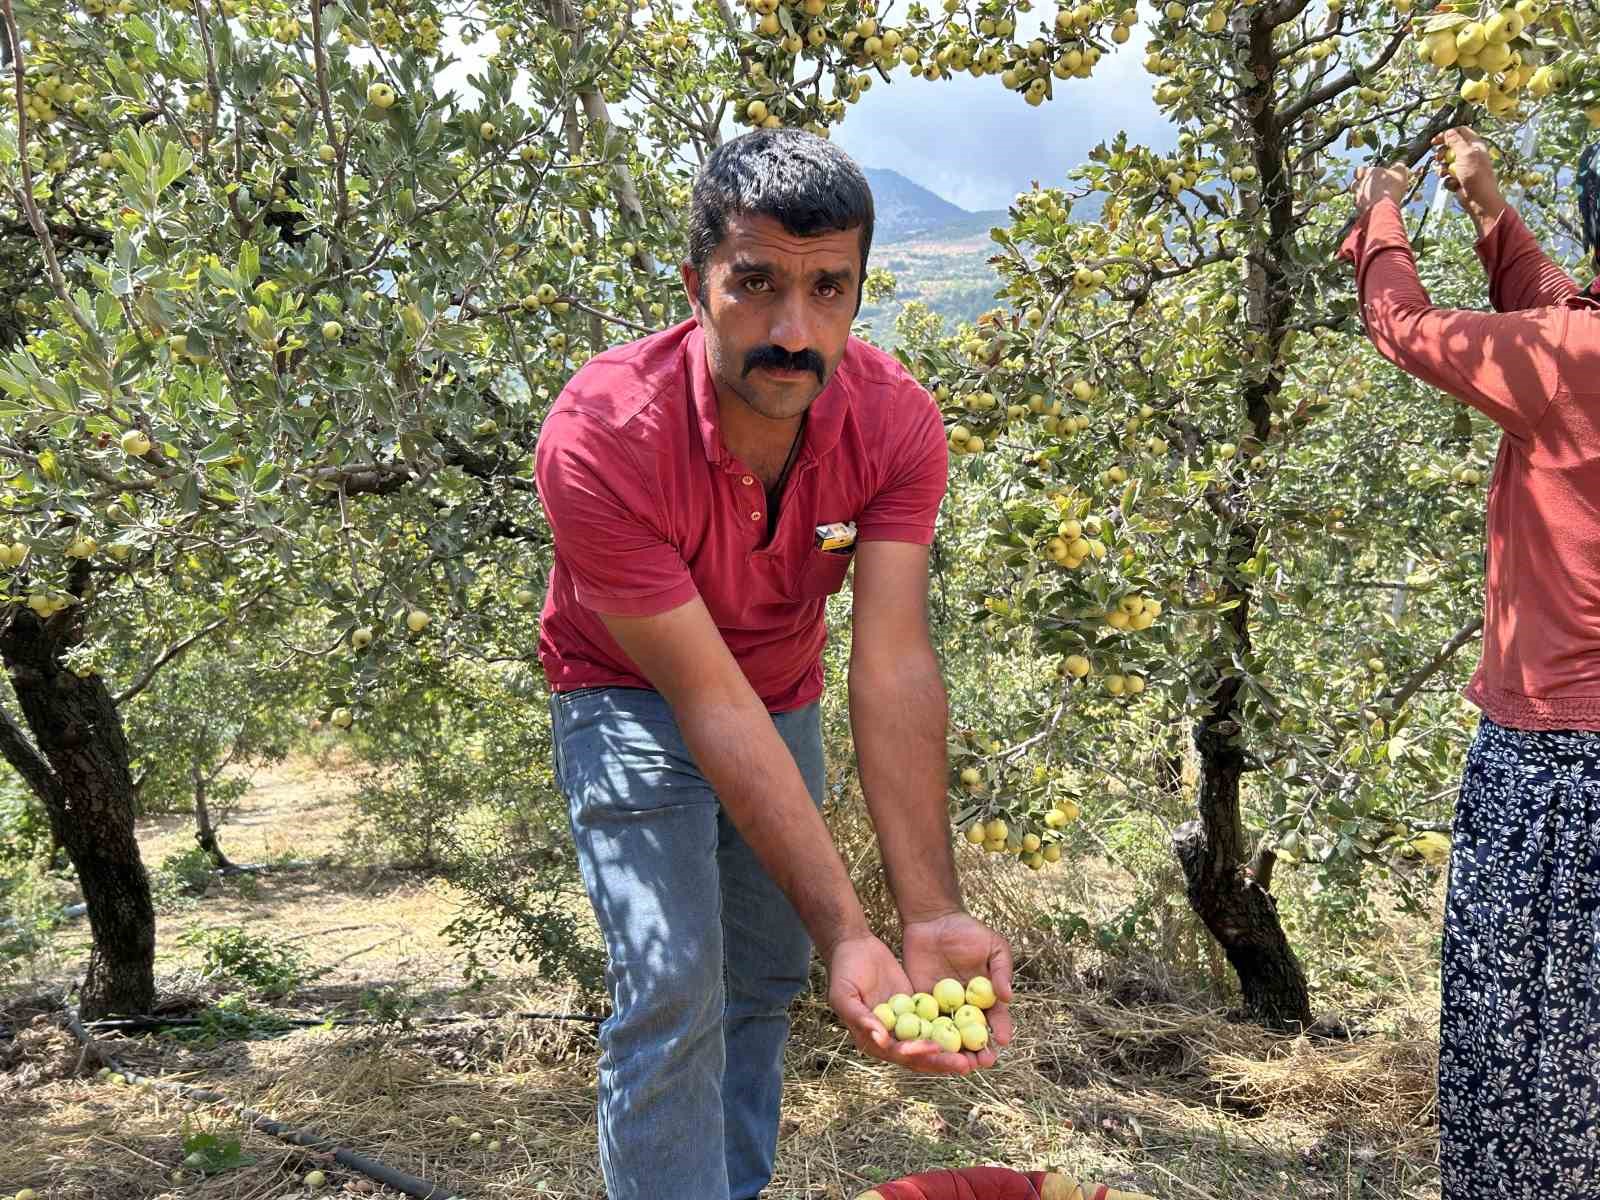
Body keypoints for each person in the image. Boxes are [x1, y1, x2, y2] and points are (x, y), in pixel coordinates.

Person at [534, 128, 1015, 1200]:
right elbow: (702, 697)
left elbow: (890, 664)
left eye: (828, 289)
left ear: (857, 289)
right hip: (625, 691)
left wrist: (927, 911)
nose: (793, 331)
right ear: (695, 282)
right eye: (754, 285)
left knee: (761, 980)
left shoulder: (894, 423)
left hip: (778, 690)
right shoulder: (602, 432)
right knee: (670, 988)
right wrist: (849, 922)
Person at [1342, 129, 1600, 1197]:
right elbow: (1564, 318)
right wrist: (1490, 215)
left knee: (1526, 1048)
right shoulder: (1574, 350)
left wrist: (1380, 215)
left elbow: (1403, 326)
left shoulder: (1567, 363)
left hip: (1558, 763)